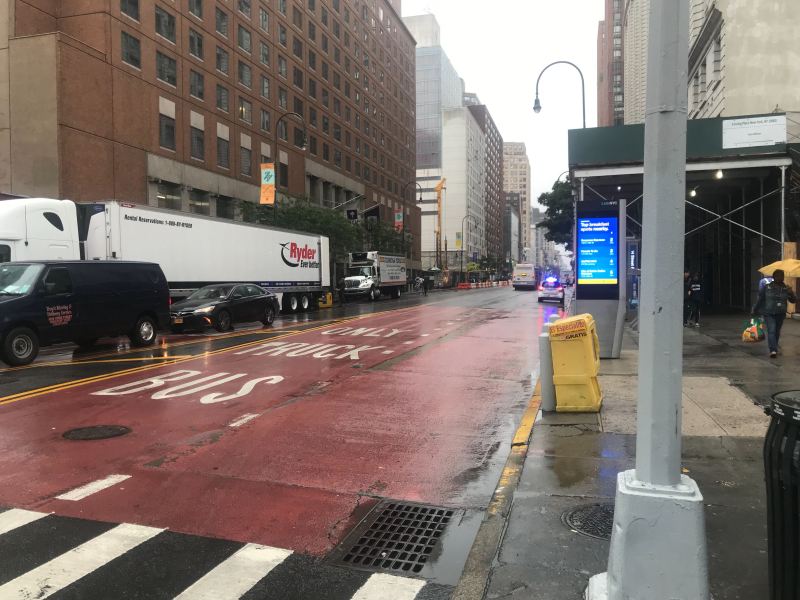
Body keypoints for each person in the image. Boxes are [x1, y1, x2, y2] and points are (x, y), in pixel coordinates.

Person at [752, 269, 797, 358]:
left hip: (781, 313)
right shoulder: (766, 287)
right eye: (778, 276)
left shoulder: (786, 288)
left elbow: (793, 301)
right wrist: (755, 309)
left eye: (782, 276)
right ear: (774, 277)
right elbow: (760, 299)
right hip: (769, 313)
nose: (781, 277)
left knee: (776, 331)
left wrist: (791, 293)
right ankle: (773, 350)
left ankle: (774, 347)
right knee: (771, 330)